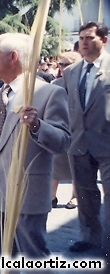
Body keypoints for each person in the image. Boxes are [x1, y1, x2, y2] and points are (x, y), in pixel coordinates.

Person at [0, 33, 70, 259]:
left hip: (27, 195)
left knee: (33, 260)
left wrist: (37, 126)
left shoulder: (48, 93)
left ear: (13, 57)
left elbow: (63, 142)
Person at [57, 22, 110, 264]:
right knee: (86, 194)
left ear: (104, 40)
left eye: (89, 38)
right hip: (78, 141)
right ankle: (89, 236)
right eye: (81, 38)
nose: (84, 42)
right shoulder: (70, 72)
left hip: (107, 141)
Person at [50, 51, 82, 210]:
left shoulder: (82, 83)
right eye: (60, 64)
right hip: (60, 128)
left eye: (66, 64)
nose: (61, 67)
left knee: (77, 166)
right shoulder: (56, 84)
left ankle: (75, 197)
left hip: (79, 131)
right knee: (55, 164)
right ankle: (51, 196)